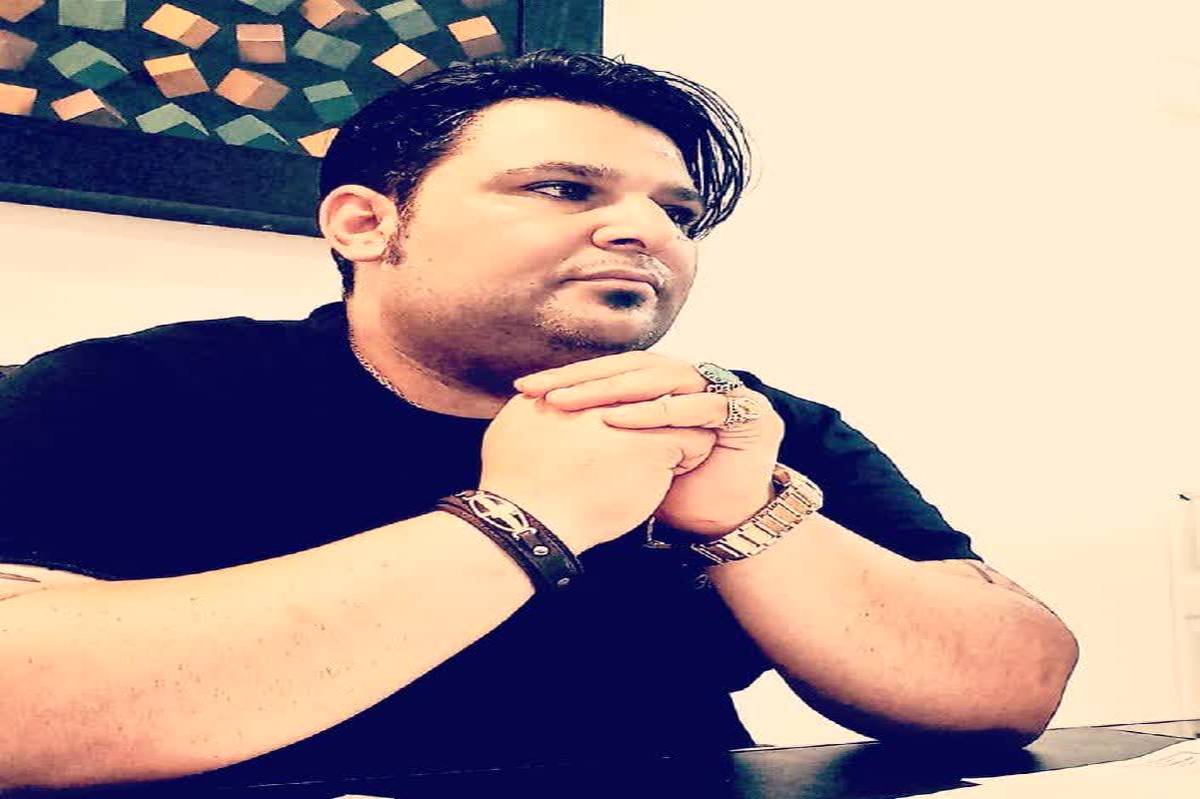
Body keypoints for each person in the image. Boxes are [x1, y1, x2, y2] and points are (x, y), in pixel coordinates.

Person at [0, 50, 1078, 789]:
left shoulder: (746, 424)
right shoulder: (132, 392)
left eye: (678, 211)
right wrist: (523, 518)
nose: (645, 231)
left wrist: (752, 519)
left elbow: (1013, 685)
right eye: (563, 189)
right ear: (367, 223)